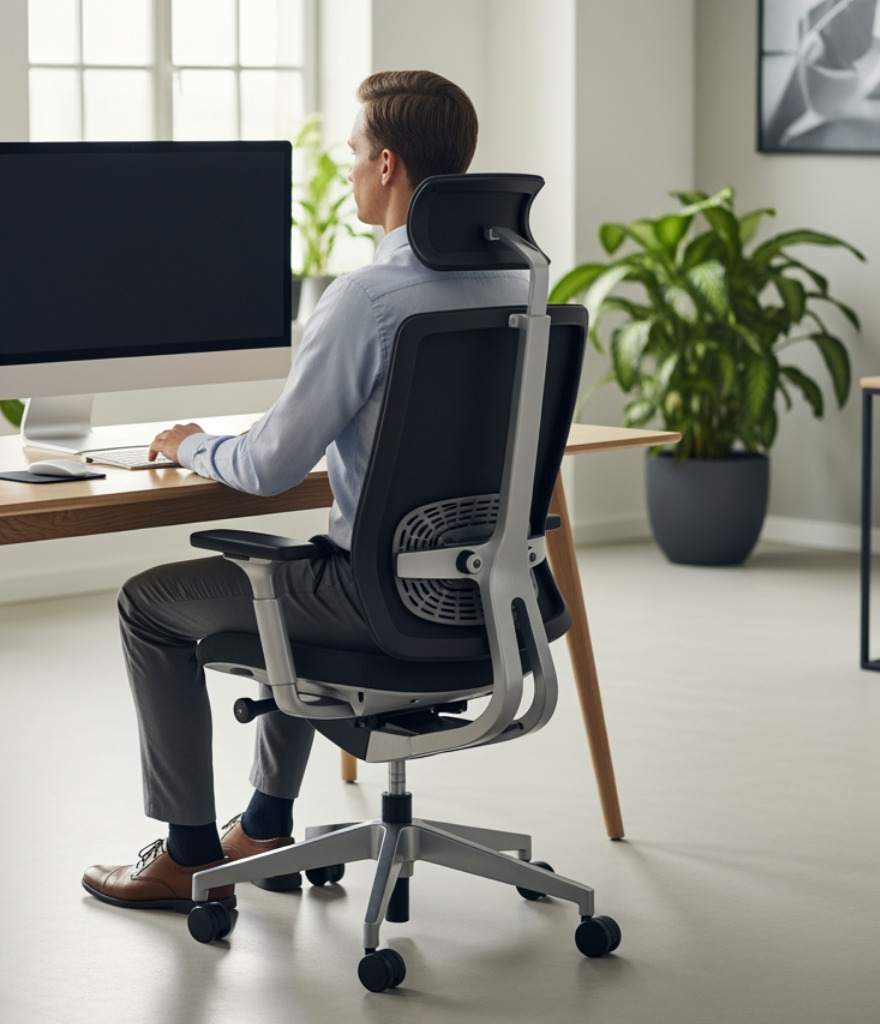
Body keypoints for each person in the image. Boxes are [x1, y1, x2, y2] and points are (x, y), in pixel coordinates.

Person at [82, 70, 528, 913]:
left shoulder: (366, 299)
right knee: (292, 579)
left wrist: (189, 444)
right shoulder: (519, 289)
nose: (350, 167)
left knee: (152, 604)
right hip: (491, 602)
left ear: (388, 165)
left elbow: (268, 468)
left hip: (379, 604)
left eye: (355, 152)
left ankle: (184, 856)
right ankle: (263, 827)